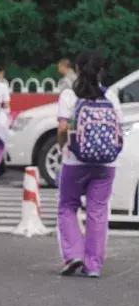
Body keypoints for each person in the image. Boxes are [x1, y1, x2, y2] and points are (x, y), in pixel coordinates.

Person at [56, 51, 121, 278]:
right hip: (106, 163)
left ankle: (74, 254)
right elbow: (118, 129)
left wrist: (62, 146)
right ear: (100, 70)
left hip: (75, 161)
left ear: (77, 67)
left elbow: (63, 129)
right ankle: (93, 265)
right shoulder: (110, 96)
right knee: (98, 211)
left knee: (67, 206)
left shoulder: (68, 95)